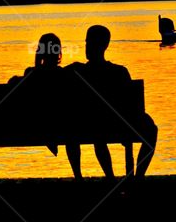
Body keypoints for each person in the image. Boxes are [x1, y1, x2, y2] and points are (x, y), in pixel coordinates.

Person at [66, 24, 158, 179]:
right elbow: (134, 106)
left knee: (97, 133)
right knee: (151, 130)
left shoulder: (77, 71)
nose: (87, 46)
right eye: (87, 42)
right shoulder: (119, 71)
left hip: (92, 125)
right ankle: (138, 177)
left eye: (89, 42)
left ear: (102, 45)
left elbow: (51, 74)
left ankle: (110, 177)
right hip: (115, 124)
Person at [7, 32, 64, 158]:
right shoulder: (63, 75)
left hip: (36, 124)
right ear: (58, 52)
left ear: (40, 52)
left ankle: (49, 135)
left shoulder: (31, 73)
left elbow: (14, 85)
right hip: (62, 123)